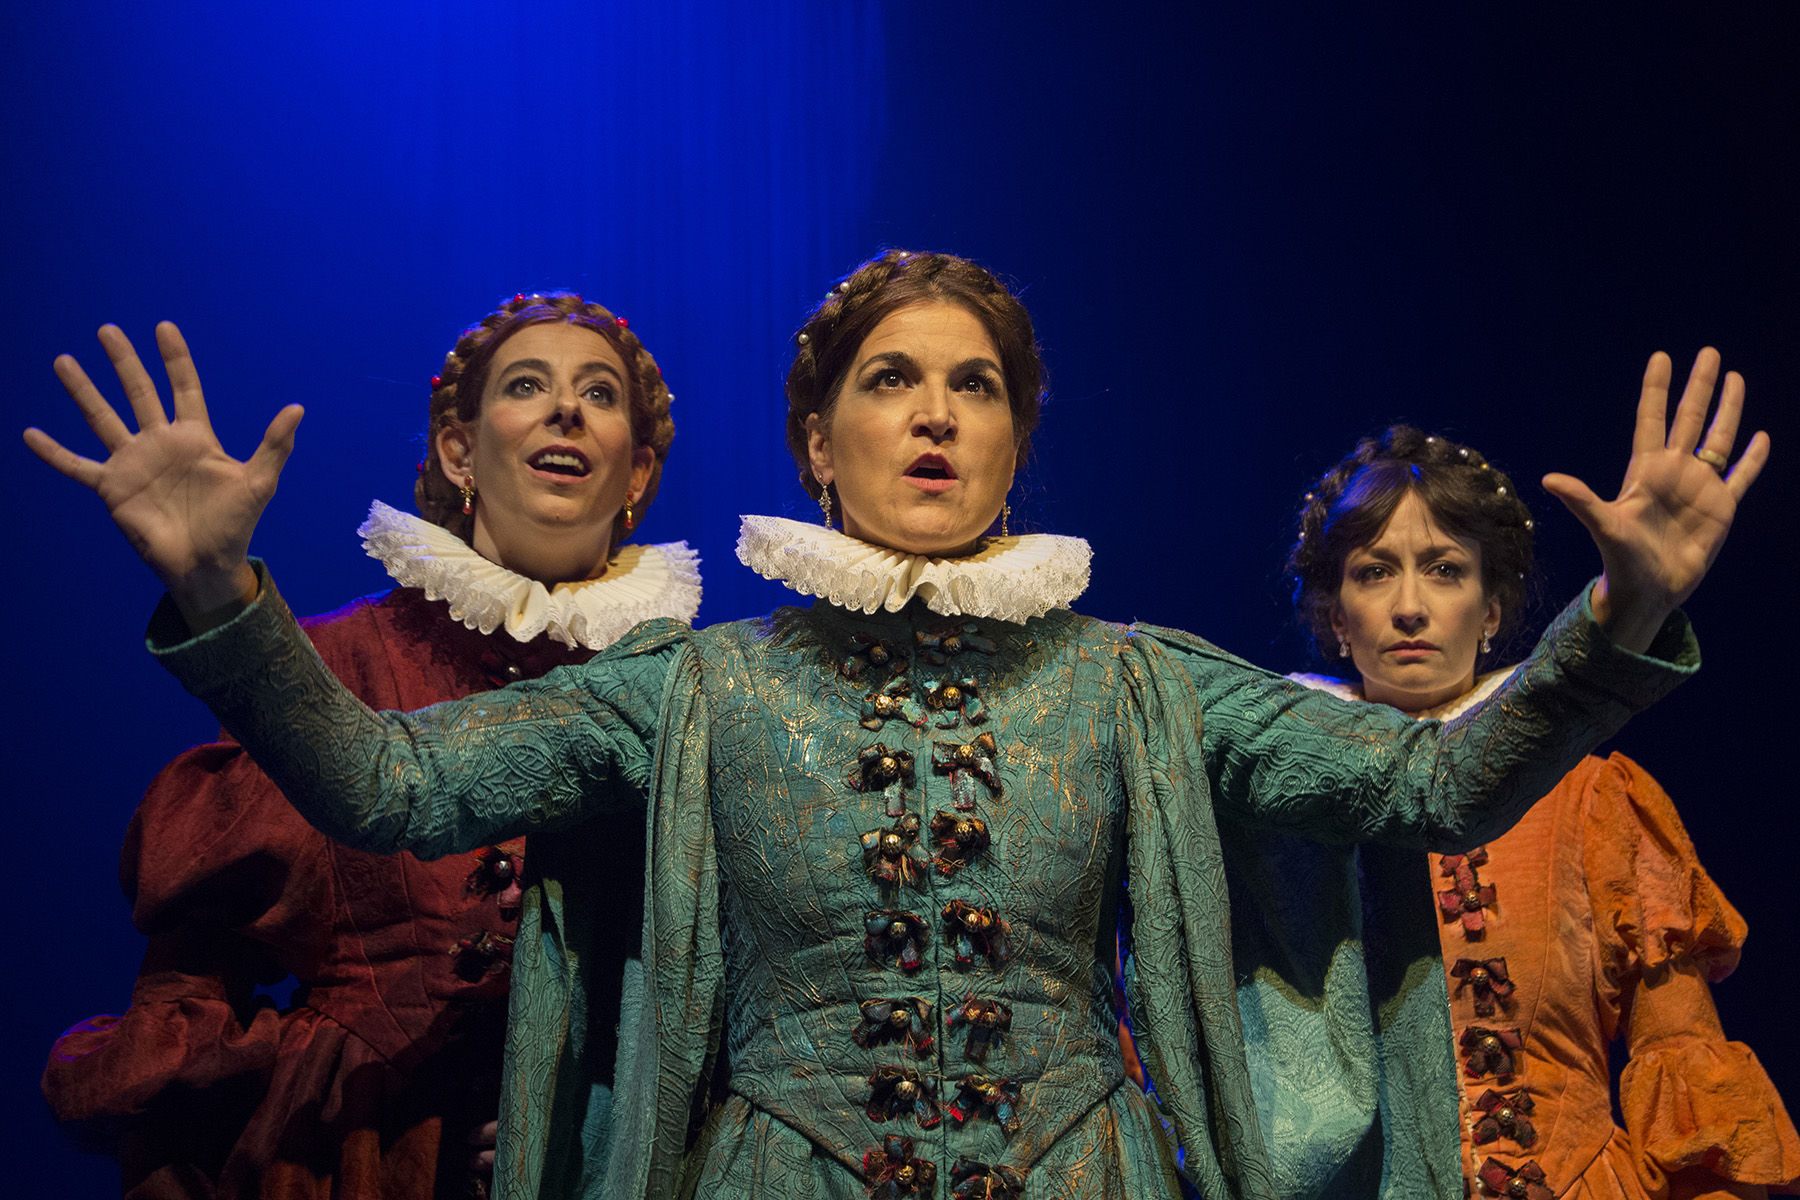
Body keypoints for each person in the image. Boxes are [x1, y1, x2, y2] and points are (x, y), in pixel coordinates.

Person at [25, 250, 1767, 1200]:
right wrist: (228, 598)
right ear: (817, 442)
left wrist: (1618, 623)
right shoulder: (700, 684)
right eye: (890, 380)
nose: (934, 415)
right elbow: (388, 785)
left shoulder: (1136, 678)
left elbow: (1442, 786)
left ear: (1015, 445)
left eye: (974, 386)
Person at [37, 292, 700, 1200]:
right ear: (458, 451)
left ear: (637, 471)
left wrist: (596, 1122)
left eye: (600, 393)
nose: (566, 409)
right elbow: (186, 995)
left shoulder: (692, 693)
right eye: (526, 385)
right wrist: (214, 587)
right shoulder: (334, 665)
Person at [1272, 427, 1800, 1200]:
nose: (1410, 607)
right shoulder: (1273, 814)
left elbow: (1681, 1048)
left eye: (1445, 570)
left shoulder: (1590, 799)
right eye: (1375, 572)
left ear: (1491, 611)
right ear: (1337, 618)